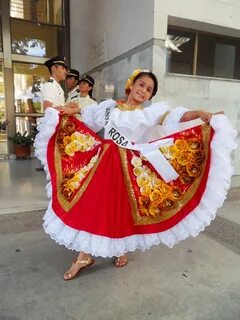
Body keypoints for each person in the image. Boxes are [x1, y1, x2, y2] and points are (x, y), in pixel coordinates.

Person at [35, 69, 236, 281]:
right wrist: (66, 110)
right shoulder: (109, 107)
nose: (143, 90)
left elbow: (176, 117)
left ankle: (120, 248)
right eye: (141, 85)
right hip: (103, 164)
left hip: (128, 168)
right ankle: (84, 256)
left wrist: (198, 113)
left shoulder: (149, 115)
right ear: (132, 84)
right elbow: (87, 115)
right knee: (94, 208)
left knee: (122, 210)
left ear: (150, 96)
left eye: (149, 90)